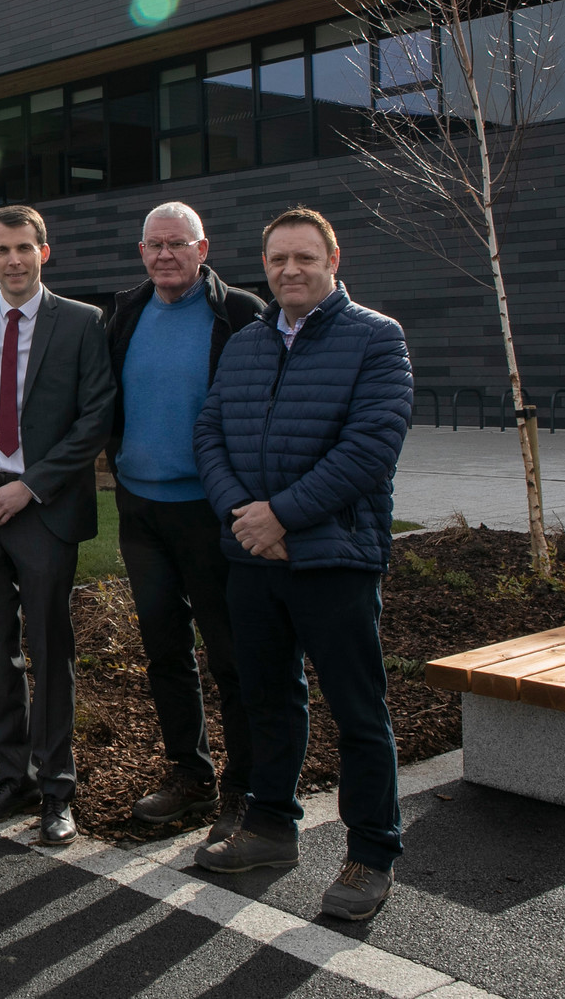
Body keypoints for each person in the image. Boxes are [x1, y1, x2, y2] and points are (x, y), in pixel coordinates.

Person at [192, 206, 413, 922]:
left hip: (334, 559)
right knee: (267, 699)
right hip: (253, 558)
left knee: (357, 711)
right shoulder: (246, 342)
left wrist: (281, 514)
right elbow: (209, 433)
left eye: (303, 258)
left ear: (332, 258)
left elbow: (370, 446)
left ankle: (370, 852)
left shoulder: (376, 338)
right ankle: (268, 828)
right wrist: (247, 519)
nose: (289, 270)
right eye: (278, 259)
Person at [0, 205, 114, 847]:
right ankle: (13, 780)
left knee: (49, 649)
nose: (13, 259)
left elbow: (94, 417)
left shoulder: (83, 323)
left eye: (24, 248)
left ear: (45, 251)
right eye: (2, 249)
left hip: (44, 512)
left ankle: (56, 788)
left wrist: (28, 488)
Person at [105, 202, 265, 841]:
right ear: (142, 251)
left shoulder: (241, 313)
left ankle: (245, 787)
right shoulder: (125, 312)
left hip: (212, 511)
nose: (165, 254)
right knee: (164, 650)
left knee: (232, 655)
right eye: (154, 244)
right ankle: (190, 776)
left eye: (178, 244)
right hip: (140, 511)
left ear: (204, 248)